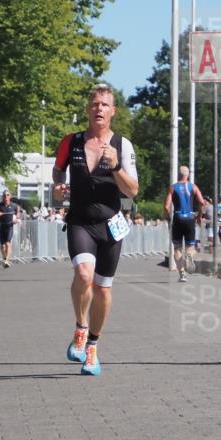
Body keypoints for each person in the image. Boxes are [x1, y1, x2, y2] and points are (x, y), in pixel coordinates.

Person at [52, 84, 138, 376]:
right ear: (88, 109)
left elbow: (133, 190)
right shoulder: (71, 142)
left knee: (102, 289)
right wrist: (58, 187)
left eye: (105, 104)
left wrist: (115, 167)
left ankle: (92, 346)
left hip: (110, 225)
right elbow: (57, 172)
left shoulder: (122, 145)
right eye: (95, 104)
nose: (99, 108)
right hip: (80, 221)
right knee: (84, 275)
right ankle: (81, 326)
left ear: (113, 111)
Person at [163, 165, 206, 282]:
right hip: (190, 218)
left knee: (177, 248)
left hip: (177, 218)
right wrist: (199, 216)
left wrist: (168, 218)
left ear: (179, 174)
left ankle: (182, 274)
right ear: (188, 175)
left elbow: (166, 206)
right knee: (190, 247)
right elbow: (202, 202)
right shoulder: (193, 187)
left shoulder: (173, 187)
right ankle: (189, 256)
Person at [0, 190, 20, 268]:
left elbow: (18, 213)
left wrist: (16, 218)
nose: (6, 197)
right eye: (4, 195)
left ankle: (6, 261)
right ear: (2, 197)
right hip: (2, 226)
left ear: (10, 196)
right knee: (3, 246)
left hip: (9, 227)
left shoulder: (14, 205)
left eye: (7, 195)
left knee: (8, 243)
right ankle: (4, 258)